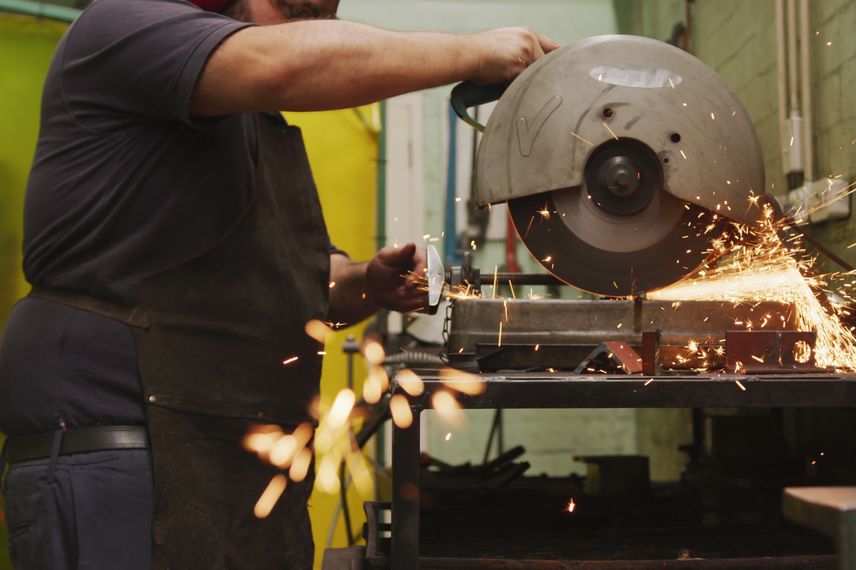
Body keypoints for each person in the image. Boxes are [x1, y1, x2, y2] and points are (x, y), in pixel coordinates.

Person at [0, 0, 556, 567]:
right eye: (292, 14)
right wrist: (474, 51)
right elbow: (283, 64)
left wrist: (368, 282)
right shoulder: (124, 25)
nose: (310, 35)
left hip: (232, 467)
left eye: (318, 20)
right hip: (121, 450)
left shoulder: (250, 122)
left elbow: (303, 287)